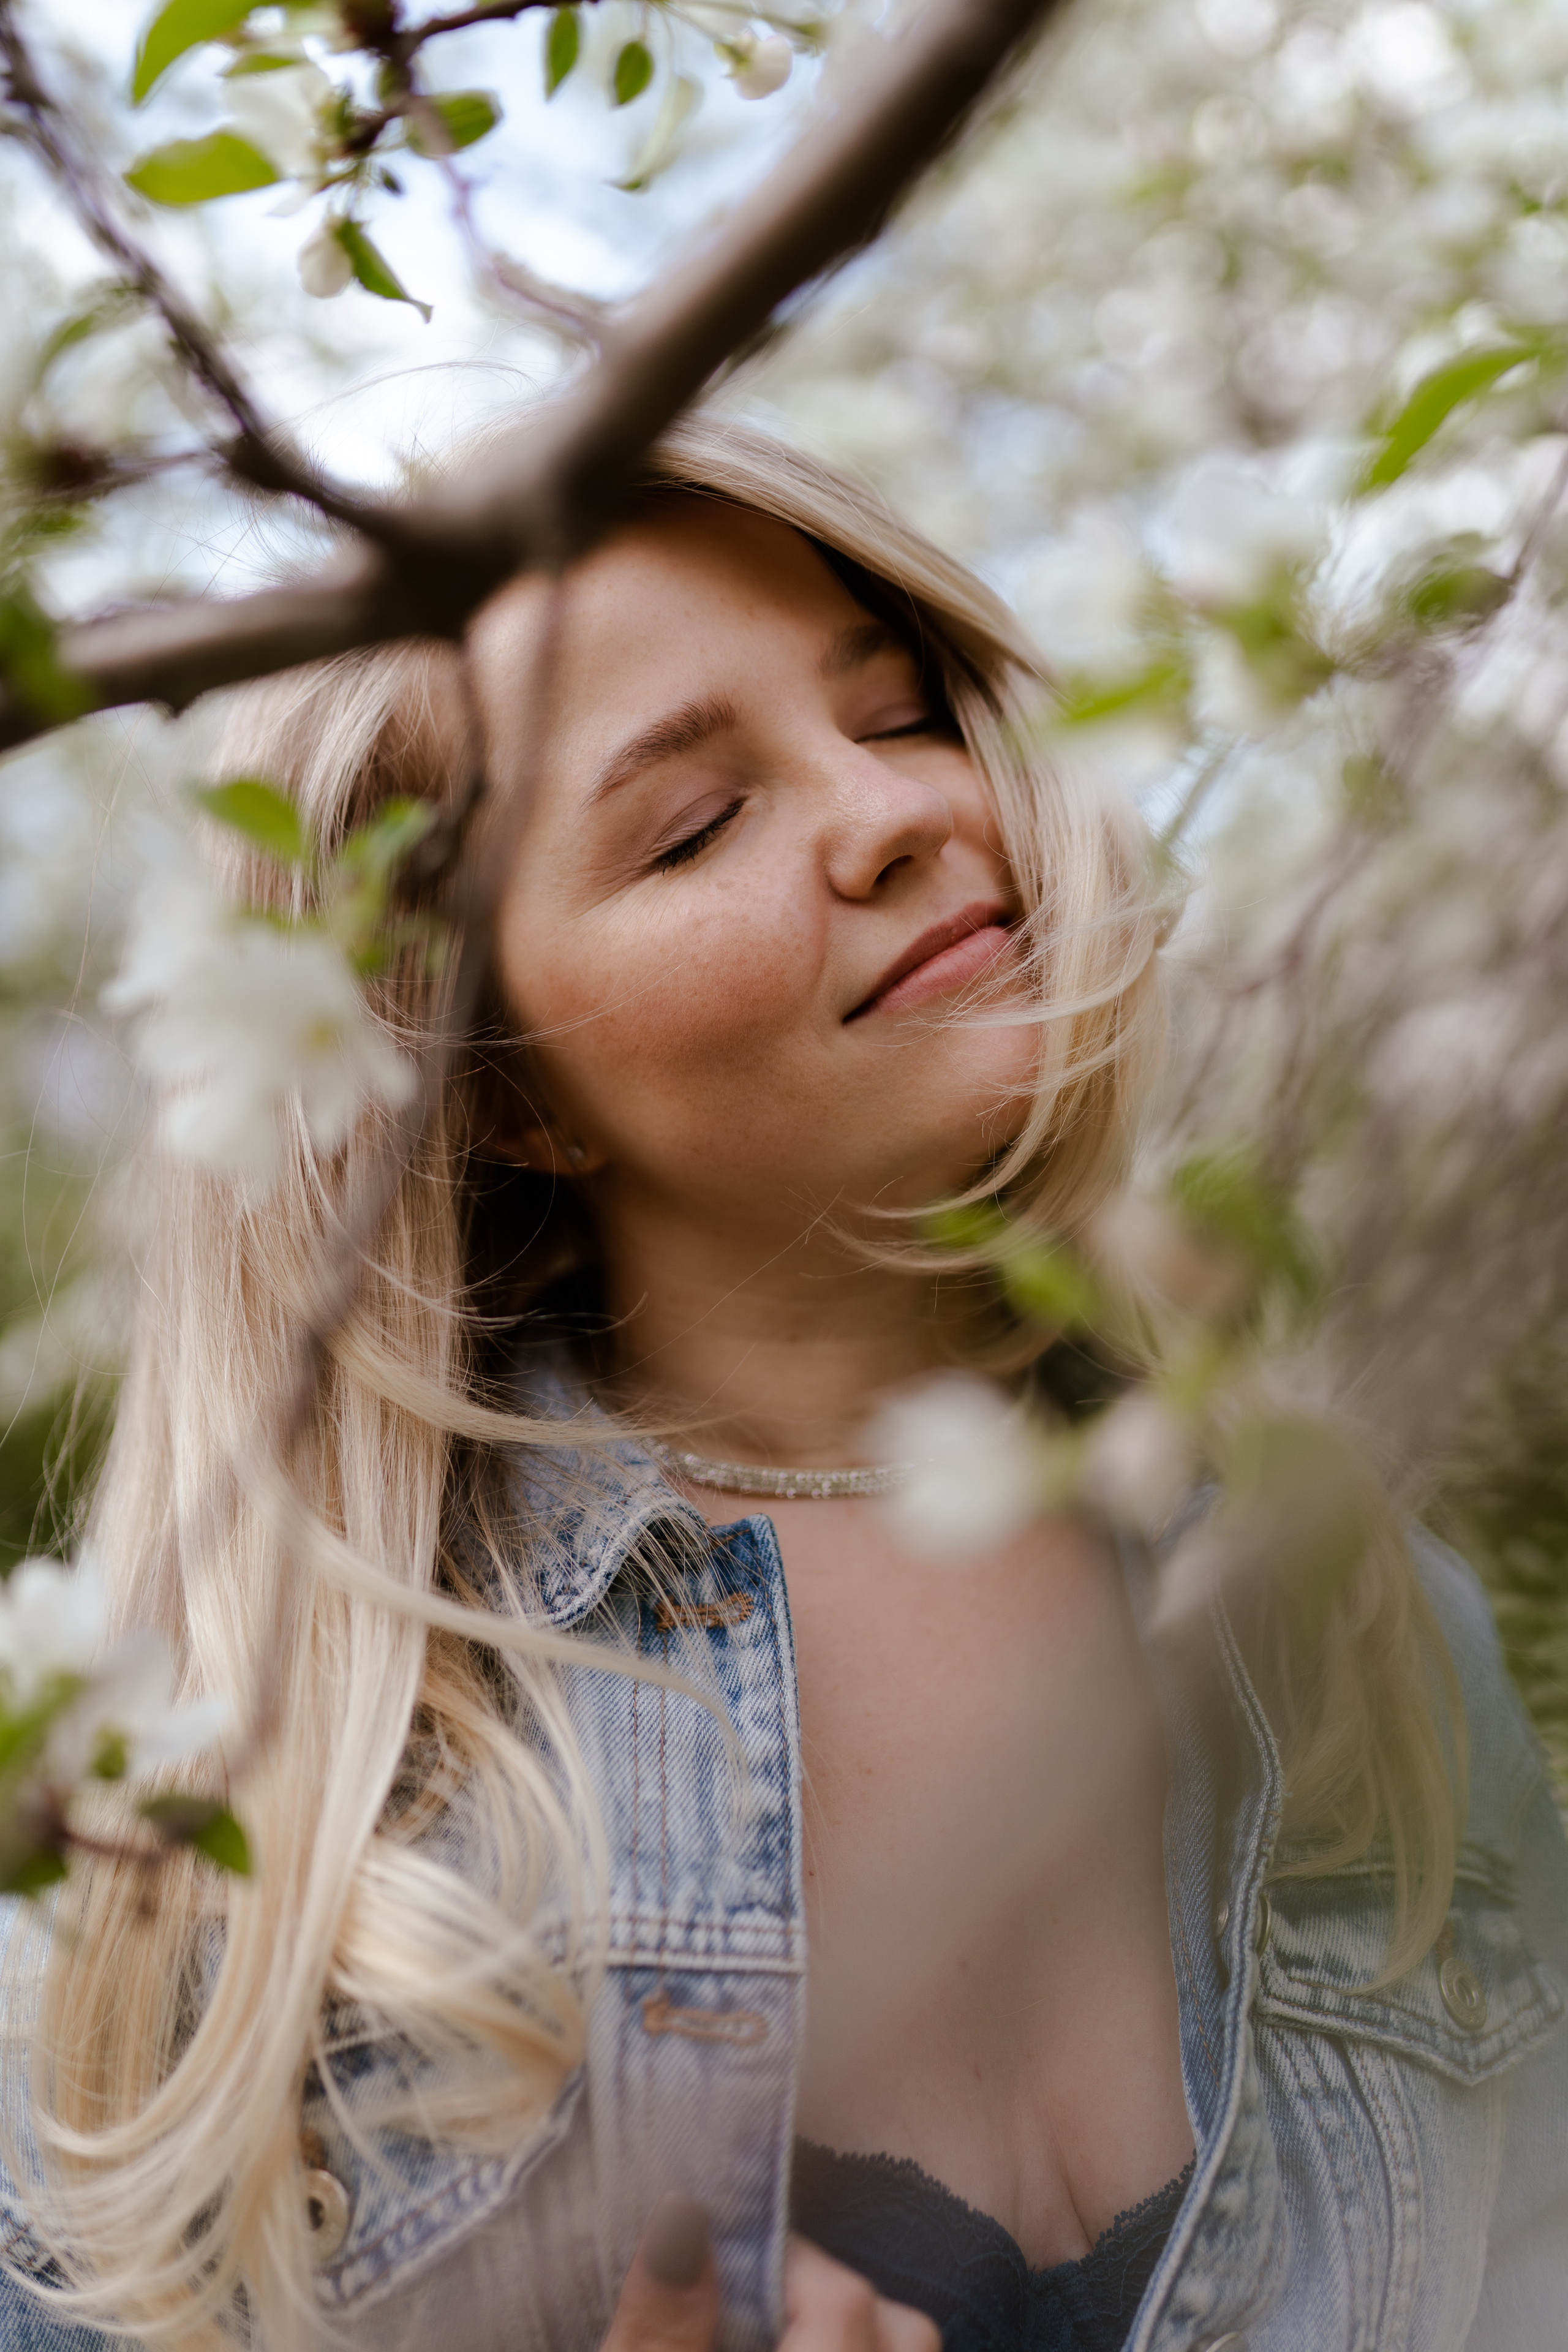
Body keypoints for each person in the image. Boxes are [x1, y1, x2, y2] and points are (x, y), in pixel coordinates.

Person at [0, 417, 1564, 2352]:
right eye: (690, 825)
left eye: (902, 713)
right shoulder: (258, 1802)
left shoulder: (1364, 1627)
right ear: (488, 1092)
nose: (901, 812)